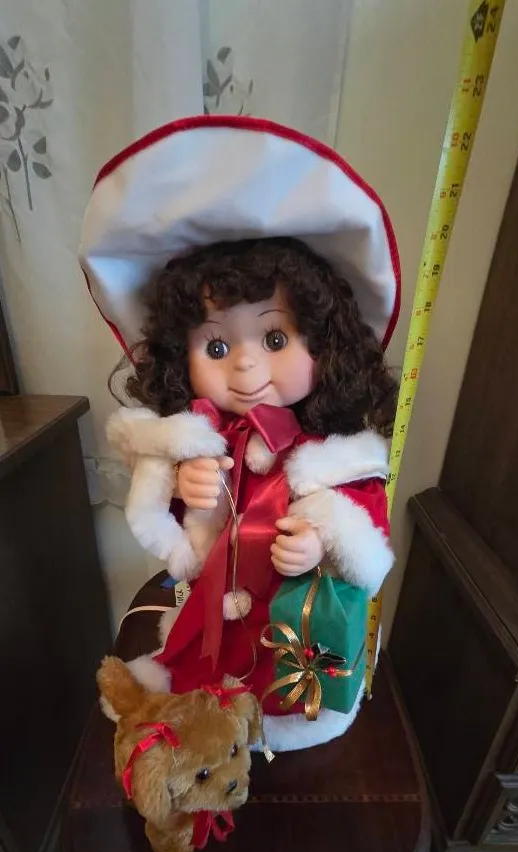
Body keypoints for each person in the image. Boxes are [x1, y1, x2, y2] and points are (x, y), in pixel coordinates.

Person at [80, 116, 401, 751]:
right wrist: (186, 491)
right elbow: (180, 538)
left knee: (274, 672)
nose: (247, 367)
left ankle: (274, 720)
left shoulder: (335, 457)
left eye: (275, 338)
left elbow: (367, 529)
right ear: (180, 352)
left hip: (288, 628)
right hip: (212, 613)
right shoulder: (199, 437)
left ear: (324, 341)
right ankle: (199, 704)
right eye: (218, 345)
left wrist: (322, 541)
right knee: (204, 664)